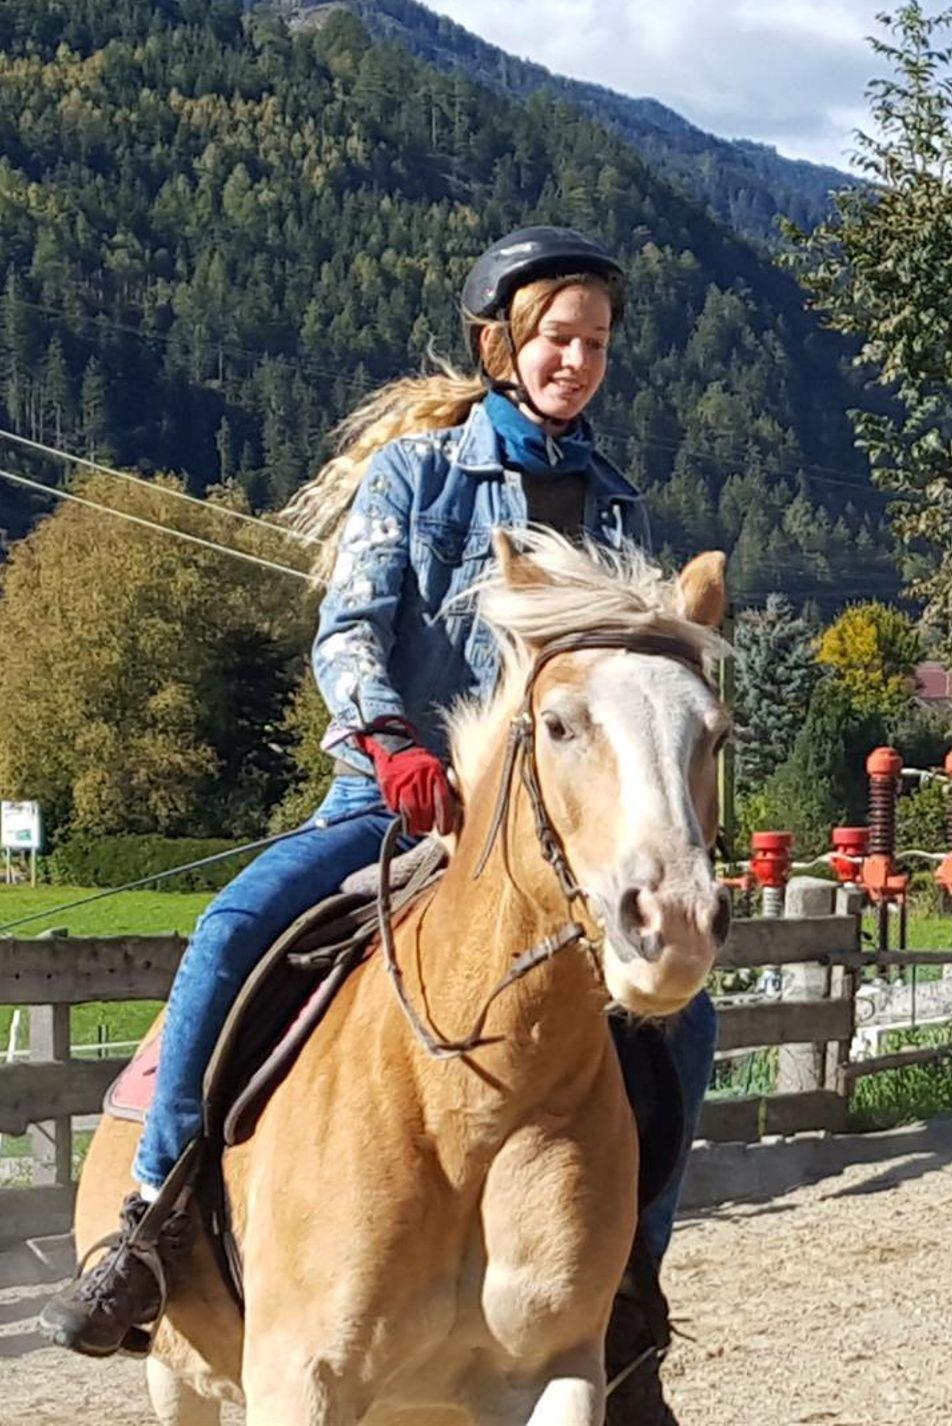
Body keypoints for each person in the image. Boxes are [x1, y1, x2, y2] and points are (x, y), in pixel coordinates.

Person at [42, 227, 718, 1363]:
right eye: (558, 337)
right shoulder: (418, 477)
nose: (578, 360)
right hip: (393, 803)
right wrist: (393, 739)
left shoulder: (616, 509)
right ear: (502, 345)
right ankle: (149, 1225)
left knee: (686, 1021)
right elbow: (347, 633)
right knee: (233, 928)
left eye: (597, 342)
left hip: (552, 837)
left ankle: (628, 1285)